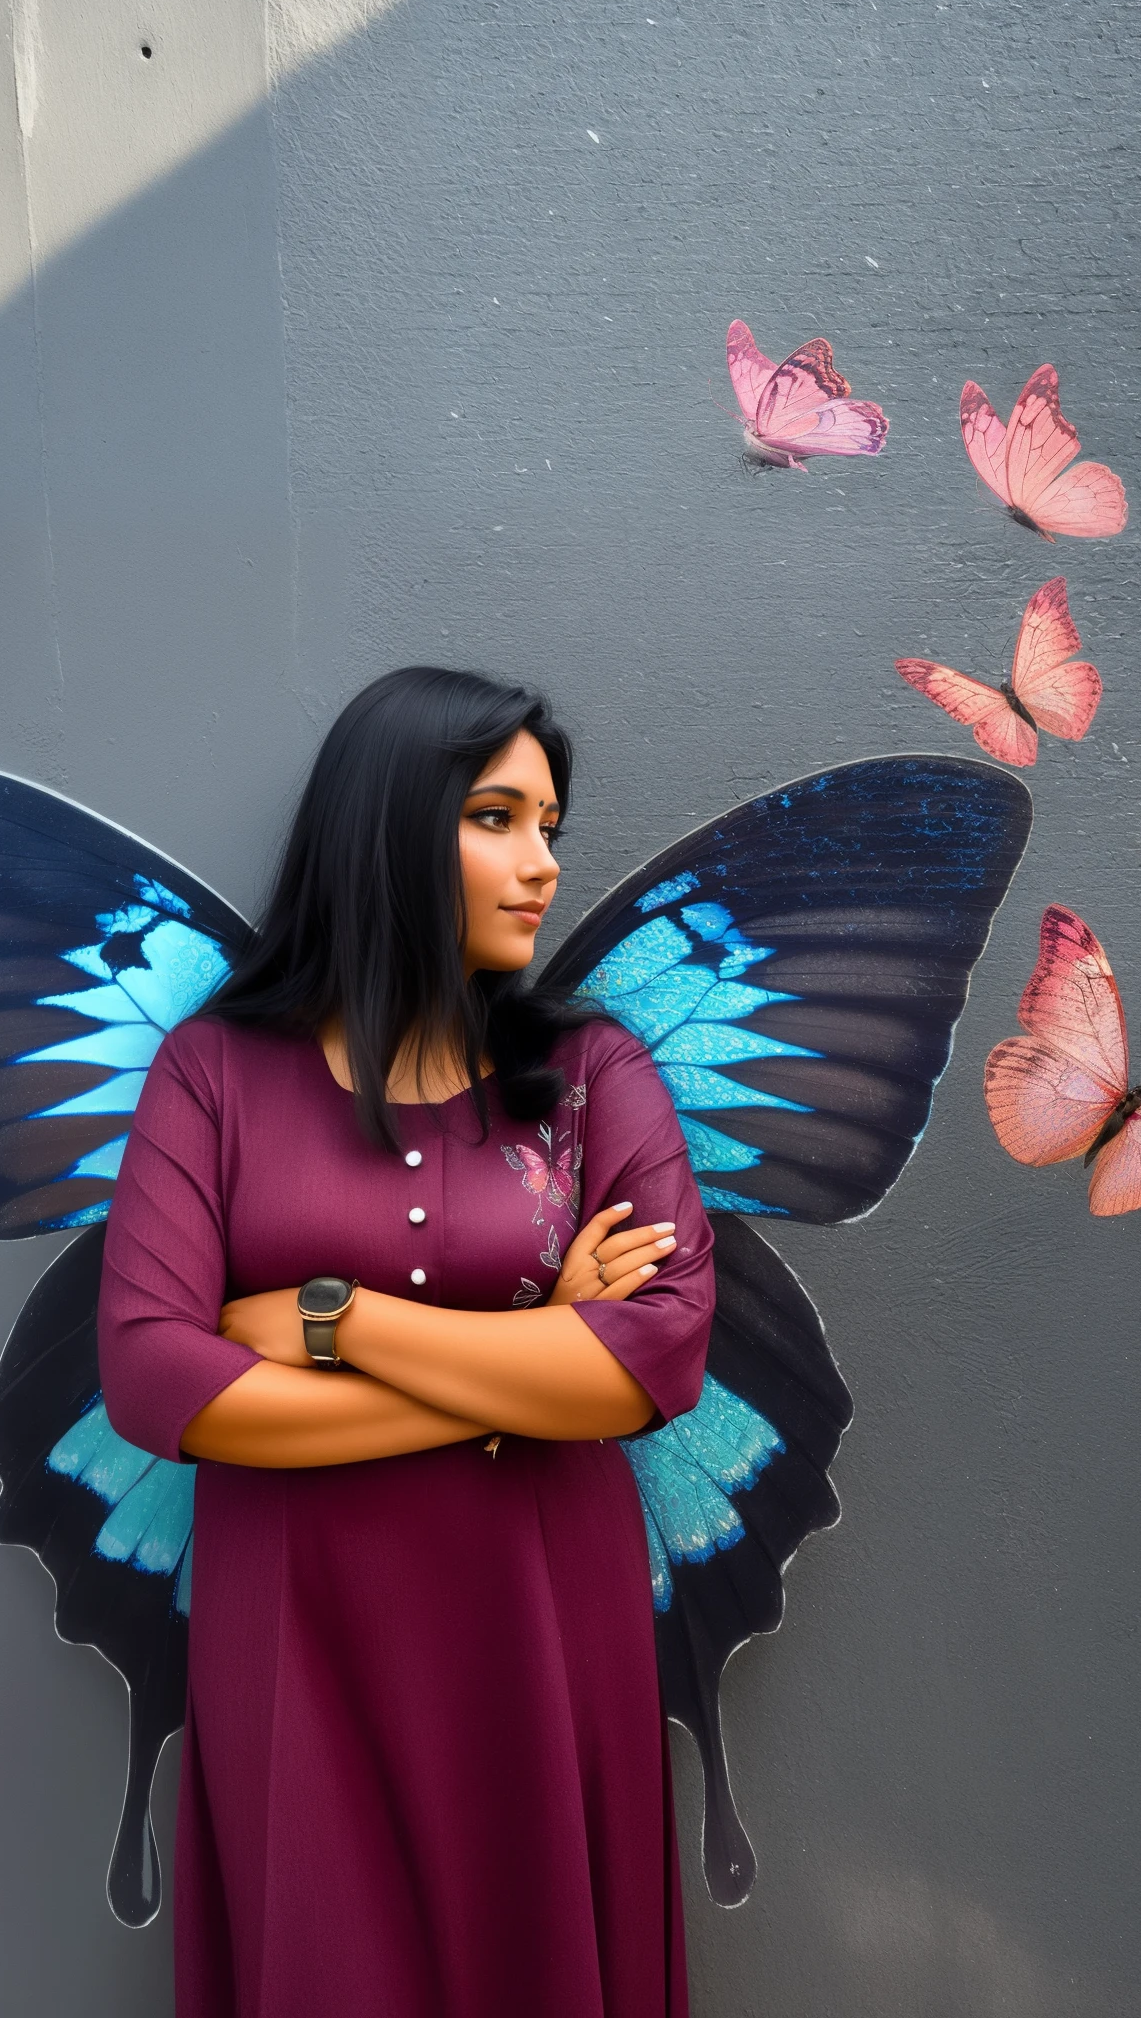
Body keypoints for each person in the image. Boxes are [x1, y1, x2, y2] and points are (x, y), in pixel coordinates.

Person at [97, 666, 715, 2018]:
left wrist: (337, 1321)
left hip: (549, 1638)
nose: (543, 862)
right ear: (389, 822)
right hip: (301, 1644)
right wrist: (533, 1364)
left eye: (551, 826)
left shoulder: (593, 1073)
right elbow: (153, 1376)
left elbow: (658, 1355)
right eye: (499, 818)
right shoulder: (212, 1077)